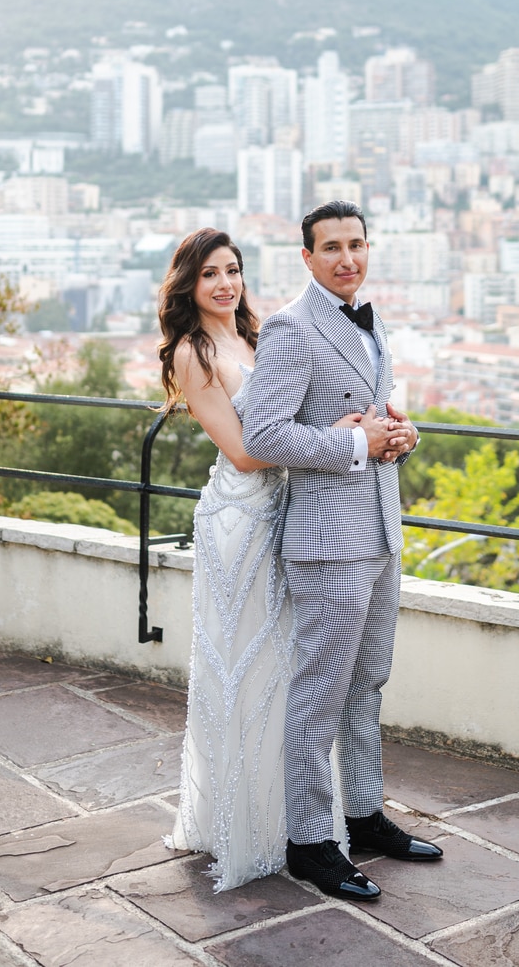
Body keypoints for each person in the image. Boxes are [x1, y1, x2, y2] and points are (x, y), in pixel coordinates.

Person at [242, 200, 443, 902]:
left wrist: (397, 432)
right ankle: (309, 843)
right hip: (327, 541)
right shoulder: (293, 329)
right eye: (331, 247)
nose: (347, 258)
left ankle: (363, 815)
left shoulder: (369, 315)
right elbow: (262, 436)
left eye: (357, 244)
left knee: (369, 683)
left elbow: (369, 413)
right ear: (306, 257)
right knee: (319, 694)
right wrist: (356, 443)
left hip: (381, 529)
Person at [158, 227, 366, 890]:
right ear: (189, 284)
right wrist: (330, 437)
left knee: (287, 668)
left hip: (287, 508)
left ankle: (290, 817)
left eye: (234, 270)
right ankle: (240, 821)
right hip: (238, 519)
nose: (225, 283)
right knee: (245, 665)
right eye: (211, 273)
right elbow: (246, 451)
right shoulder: (192, 353)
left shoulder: (257, 338)